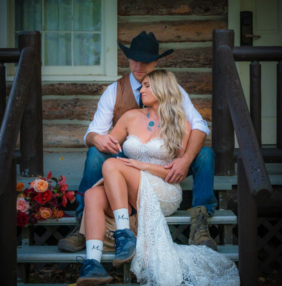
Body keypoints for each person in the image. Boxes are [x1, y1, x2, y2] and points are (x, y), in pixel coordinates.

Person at [76, 70, 249, 286]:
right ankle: (92, 264)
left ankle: (124, 233)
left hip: (163, 188)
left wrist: (142, 166)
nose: (141, 90)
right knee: (94, 193)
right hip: (130, 184)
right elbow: (110, 150)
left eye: (146, 85)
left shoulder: (181, 124)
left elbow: (173, 172)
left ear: (161, 89)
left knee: (113, 166)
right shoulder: (129, 117)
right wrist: (97, 139)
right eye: (141, 86)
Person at [58, 31, 217, 253]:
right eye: (134, 59)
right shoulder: (115, 90)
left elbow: (199, 126)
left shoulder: (173, 91)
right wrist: (98, 139)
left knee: (206, 154)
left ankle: (200, 220)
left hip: (167, 162)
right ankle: (82, 223)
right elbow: (92, 133)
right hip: (126, 157)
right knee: (95, 153)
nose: (138, 65)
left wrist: (186, 159)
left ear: (156, 62)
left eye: (145, 60)